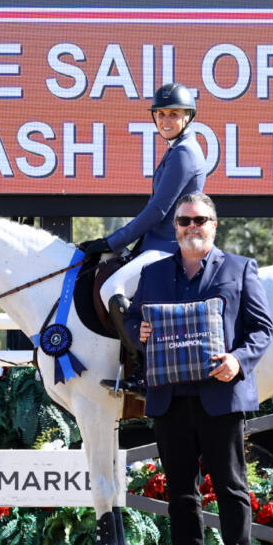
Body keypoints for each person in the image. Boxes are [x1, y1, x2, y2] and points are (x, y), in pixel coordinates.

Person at [126, 192, 273, 545]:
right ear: (174, 227)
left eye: (200, 220)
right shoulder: (153, 273)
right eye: (184, 221)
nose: (192, 227)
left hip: (220, 395)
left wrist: (239, 361)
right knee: (180, 490)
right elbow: (132, 317)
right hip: (170, 397)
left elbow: (262, 330)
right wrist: (137, 332)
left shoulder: (241, 269)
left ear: (214, 224)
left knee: (230, 486)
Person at [78, 82, 206, 390]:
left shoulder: (184, 153)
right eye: (160, 114)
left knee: (112, 288)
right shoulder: (178, 148)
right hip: (157, 242)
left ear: (187, 117)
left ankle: (145, 368)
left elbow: (157, 211)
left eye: (173, 114)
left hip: (170, 245)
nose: (165, 121)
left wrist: (111, 242)